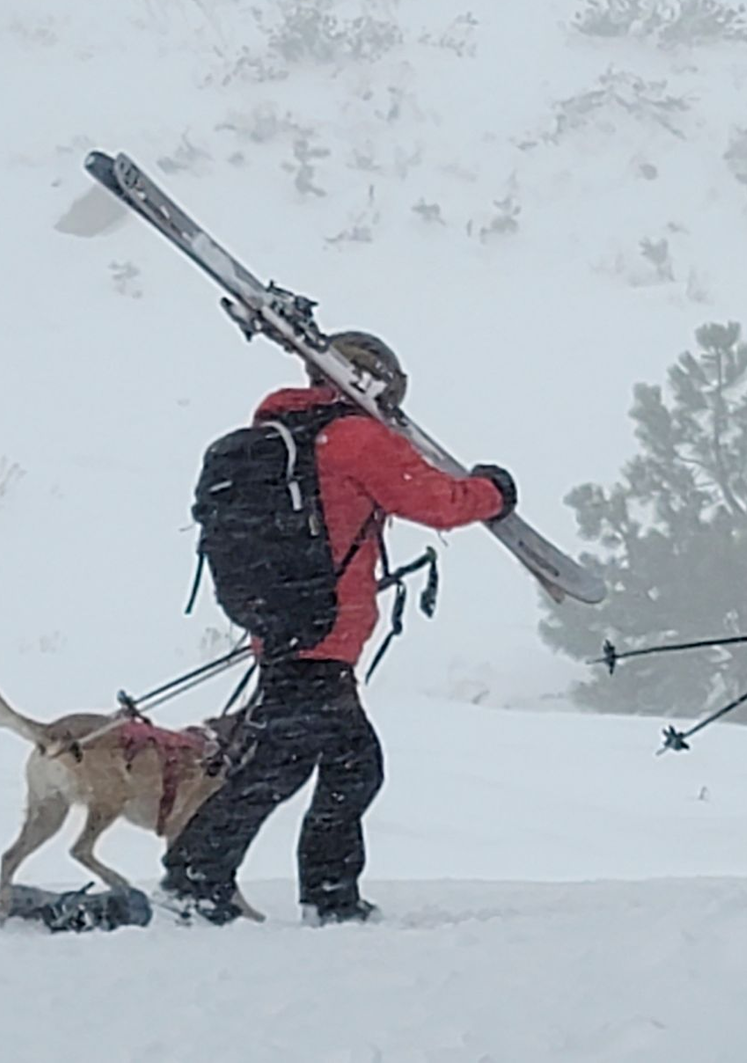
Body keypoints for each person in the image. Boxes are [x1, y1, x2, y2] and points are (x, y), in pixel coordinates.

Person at [161, 331, 518, 925]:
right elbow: (437, 500)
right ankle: (282, 892)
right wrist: (494, 491)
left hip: (286, 629)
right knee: (345, 767)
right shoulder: (353, 437)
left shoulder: (287, 434)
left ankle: (213, 880)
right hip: (321, 635)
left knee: (288, 766)